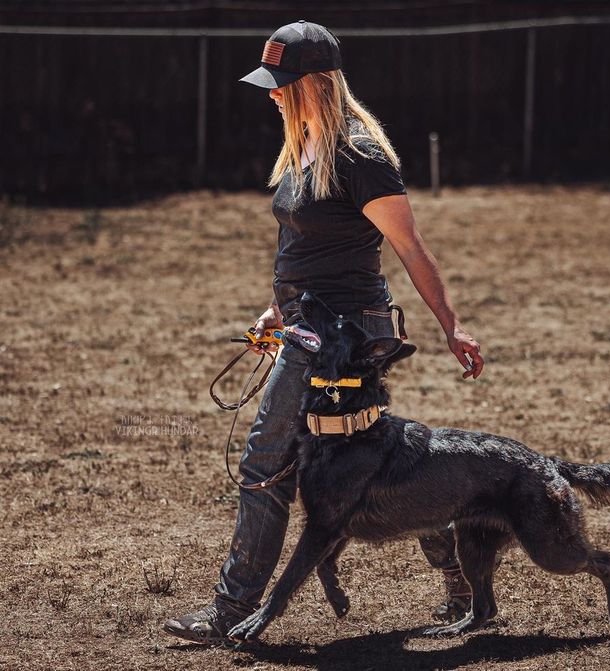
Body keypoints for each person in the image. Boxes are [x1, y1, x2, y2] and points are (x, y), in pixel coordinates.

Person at [163, 19, 484, 645]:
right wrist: (275, 310)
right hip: (306, 324)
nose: (273, 93)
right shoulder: (302, 145)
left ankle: (232, 611)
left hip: (344, 331)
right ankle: (458, 580)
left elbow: (411, 250)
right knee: (375, 456)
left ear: (316, 82)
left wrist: (452, 325)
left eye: (283, 83)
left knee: (266, 460)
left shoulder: (359, 156)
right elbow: (301, 244)